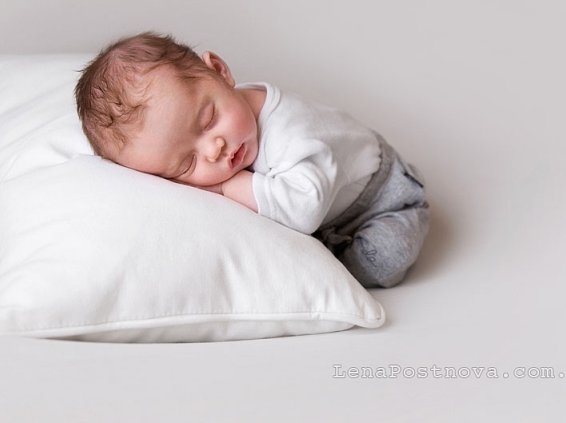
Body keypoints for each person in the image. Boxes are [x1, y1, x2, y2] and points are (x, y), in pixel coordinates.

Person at [75, 31, 429, 288]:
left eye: (208, 119)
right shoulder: (230, 130)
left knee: (382, 260)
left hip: (381, 195)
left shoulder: (292, 132)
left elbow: (303, 211)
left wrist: (231, 185)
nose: (214, 149)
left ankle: (354, 241)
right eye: (185, 164)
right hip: (328, 198)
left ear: (220, 71)